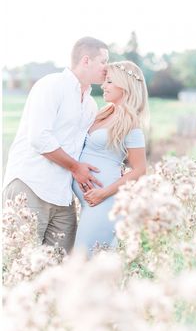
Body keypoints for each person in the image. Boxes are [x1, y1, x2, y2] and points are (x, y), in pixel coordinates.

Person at [3, 37, 109, 253]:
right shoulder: (51, 85)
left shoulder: (90, 104)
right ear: (86, 60)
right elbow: (39, 138)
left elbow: (86, 147)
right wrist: (75, 168)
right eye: (104, 61)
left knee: (57, 272)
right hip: (30, 185)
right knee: (18, 263)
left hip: (62, 197)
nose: (107, 68)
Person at [72, 61, 149, 256]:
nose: (103, 86)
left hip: (104, 202)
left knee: (82, 260)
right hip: (90, 202)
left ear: (125, 86)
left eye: (109, 82)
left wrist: (103, 193)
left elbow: (140, 170)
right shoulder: (104, 113)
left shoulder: (132, 123)